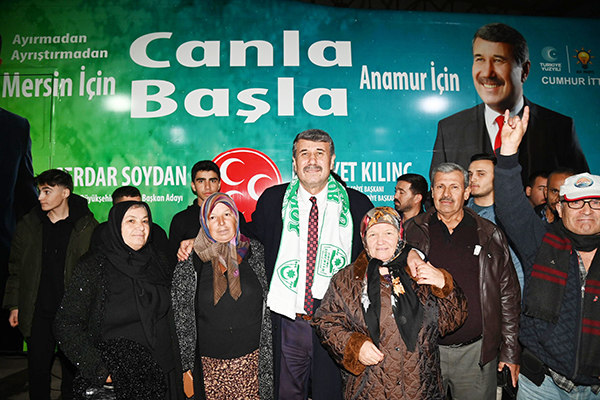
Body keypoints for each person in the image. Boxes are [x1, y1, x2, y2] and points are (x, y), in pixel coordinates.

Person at [244, 129, 373, 400]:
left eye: (319, 153)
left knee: (332, 394)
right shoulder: (273, 201)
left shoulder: (356, 204)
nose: (312, 160)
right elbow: (248, 237)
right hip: (289, 321)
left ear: (332, 160)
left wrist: (410, 255)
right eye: (304, 153)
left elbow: (379, 250)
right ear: (294, 162)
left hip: (337, 323)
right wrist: (199, 239)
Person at [494, 107, 600, 398]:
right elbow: (510, 206)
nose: (586, 210)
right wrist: (508, 151)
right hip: (543, 384)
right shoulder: (541, 242)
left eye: (595, 202)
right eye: (576, 202)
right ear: (560, 208)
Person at [312, 207, 467, 399]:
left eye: (388, 233)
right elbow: (326, 322)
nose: (381, 241)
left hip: (420, 391)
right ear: (364, 240)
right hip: (369, 391)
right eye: (373, 234)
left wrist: (444, 283)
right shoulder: (346, 280)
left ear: (400, 237)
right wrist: (355, 346)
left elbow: (451, 321)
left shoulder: (420, 272)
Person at [404, 162, 521, 400]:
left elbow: (508, 296)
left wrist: (510, 350)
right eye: (440, 187)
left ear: (467, 192)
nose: (446, 194)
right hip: (424, 352)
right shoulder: (410, 231)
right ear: (432, 192)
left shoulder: (490, 234)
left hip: (476, 354)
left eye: (454, 187)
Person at [54, 201, 184, 400]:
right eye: (131, 221)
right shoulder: (93, 266)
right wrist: (99, 370)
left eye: (145, 221)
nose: (141, 227)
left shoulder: (157, 259)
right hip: (121, 380)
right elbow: (66, 324)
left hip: (165, 371)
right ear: (115, 226)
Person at [430, 22, 588, 185]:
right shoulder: (449, 129)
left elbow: (582, 188)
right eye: (480, 59)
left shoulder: (559, 127)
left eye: (498, 60)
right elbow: (438, 191)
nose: (487, 73)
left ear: (525, 71)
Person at [3, 169, 98, 400]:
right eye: (39, 191)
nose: (40, 197)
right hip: (38, 311)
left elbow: (96, 273)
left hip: (73, 315)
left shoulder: (87, 227)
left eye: (47, 191)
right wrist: (15, 305)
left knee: (72, 373)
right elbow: (16, 269)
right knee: (37, 371)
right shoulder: (29, 225)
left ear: (65, 193)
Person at [172, 193, 273, 399]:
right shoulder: (190, 260)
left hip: (253, 361)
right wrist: (185, 366)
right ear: (204, 222)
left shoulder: (257, 253)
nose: (221, 223)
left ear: (236, 217)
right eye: (213, 217)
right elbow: (180, 318)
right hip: (210, 365)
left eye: (227, 214)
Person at [467, 153, 524, 290]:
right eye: (470, 174)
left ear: (497, 177)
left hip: (497, 293)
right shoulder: (460, 212)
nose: (473, 179)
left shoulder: (508, 217)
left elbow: (516, 265)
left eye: (481, 174)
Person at [90, 186, 170, 259]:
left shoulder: (156, 232)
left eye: (138, 205)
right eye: (131, 220)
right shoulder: (100, 233)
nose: (140, 227)